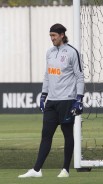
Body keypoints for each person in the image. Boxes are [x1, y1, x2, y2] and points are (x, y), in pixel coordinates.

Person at [18, 23, 84, 178]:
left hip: (67, 100)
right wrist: (43, 95)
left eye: (54, 36)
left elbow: (79, 76)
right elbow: (47, 75)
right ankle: (36, 170)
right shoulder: (49, 52)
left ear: (62, 35)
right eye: (50, 36)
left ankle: (65, 169)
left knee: (67, 134)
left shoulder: (72, 52)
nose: (52, 39)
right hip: (52, 102)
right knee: (46, 135)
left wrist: (79, 99)